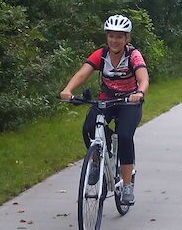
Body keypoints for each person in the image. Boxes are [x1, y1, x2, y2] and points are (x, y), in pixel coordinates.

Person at [59, 15, 149, 205]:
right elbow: (83, 73)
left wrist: (139, 93)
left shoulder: (133, 56)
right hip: (106, 100)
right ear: (107, 37)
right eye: (111, 36)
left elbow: (143, 79)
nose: (114, 40)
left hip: (128, 102)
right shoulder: (101, 54)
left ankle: (126, 185)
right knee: (89, 128)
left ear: (127, 39)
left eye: (119, 37)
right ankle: (97, 159)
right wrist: (68, 90)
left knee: (124, 137)